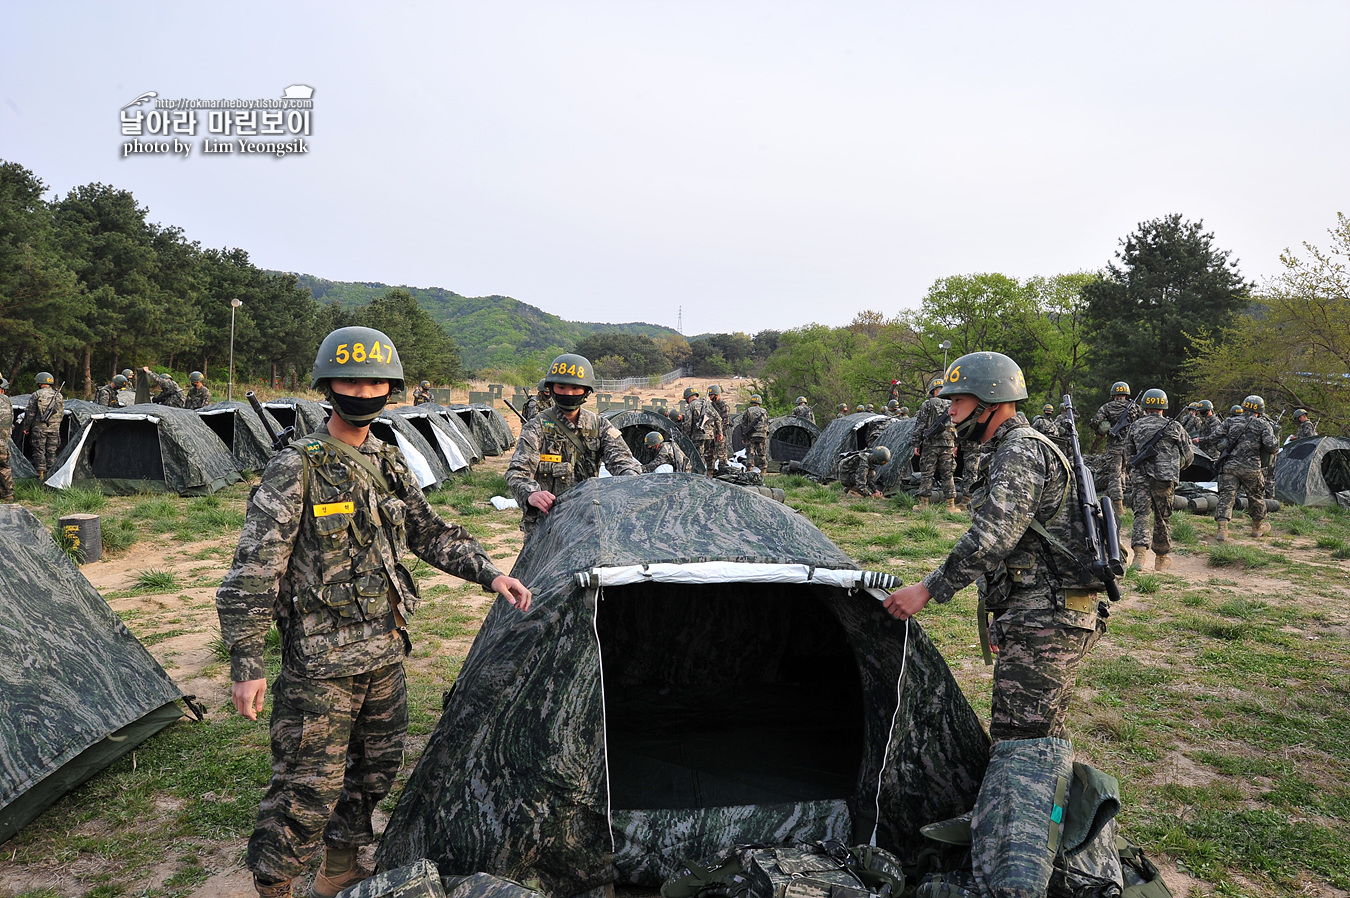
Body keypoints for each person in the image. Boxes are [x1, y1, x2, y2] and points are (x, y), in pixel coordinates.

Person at [215, 326, 532, 898]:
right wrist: (246, 662)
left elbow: (427, 530)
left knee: (374, 771)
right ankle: (277, 886)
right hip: (320, 664)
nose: (364, 391)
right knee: (306, 788)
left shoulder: (387, 459)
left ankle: (338, 869)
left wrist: (491, 572)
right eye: (351, 380)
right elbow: (254, 569)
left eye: (376, 381)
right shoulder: (299, 466)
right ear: (327, 385)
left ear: (392, 388)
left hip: (385, 651)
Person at [882, 351, 1108, 744]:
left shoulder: (1019, 450)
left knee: (1020, 741)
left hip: (1048, 616)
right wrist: (1000, 612)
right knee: (1037, 738)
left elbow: (993, 537)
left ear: (991, 402)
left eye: (958, 400)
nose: (950, 411)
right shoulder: (1007, 448)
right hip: (1039, 610)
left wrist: (927, 589)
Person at [506, 353, 641, 537]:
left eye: (575, 388)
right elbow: (517, 473)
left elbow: (624, 463)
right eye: (561, 387)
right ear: (552, 388)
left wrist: (628, 484)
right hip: (547, 526)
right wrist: (532, 494)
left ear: (586, 390)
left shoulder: (599, 426)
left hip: (587, 522)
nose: (568, 393)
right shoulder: (536, 427)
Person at [1122, 389, 1193, 571]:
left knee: (1141, 515)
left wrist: (1133, 469)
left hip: (1141, 478)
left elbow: (1127, 453)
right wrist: (1176, 467)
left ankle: (1139, 556)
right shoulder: (1175, 427)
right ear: (1164, 406)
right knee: (1162, 517)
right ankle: (1161, 559)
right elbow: (1189, 455)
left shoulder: (1136, 426)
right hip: (1165, 478)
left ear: (1146, 406)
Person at [1214, 394, 1277, 542]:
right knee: (1256, 498)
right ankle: (1257, 527)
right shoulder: (1263, 424)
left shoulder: (1230, 421)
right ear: (1260, 410)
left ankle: (1222, 529)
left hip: (1229, 467)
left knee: (1226, 497)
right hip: (1252, 468)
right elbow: (1271, 446)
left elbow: (1214, 437)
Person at [1088, 381, 1142, 516]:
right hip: (1131, 447)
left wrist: (1100, 432)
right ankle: (1112, 499)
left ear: (1113, 394)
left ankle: (1118, 506)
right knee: (1123, 472)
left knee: (1115, 475)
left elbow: (1095, 421)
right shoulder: (1135, 407)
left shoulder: (1107, 407)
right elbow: (1144, 421)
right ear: (1126, 394)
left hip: (1115, 446)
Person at [911, 376, 956, 511]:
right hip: (948, 445)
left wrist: (916, 443)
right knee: (948, 474)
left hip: (931, 444)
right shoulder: (953, 405)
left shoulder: (927, 404)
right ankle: (951, 505)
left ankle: (924, 504)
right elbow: (957, 426)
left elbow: (920, 425)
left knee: (927, 474)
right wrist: (956, 444)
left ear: (932, 391)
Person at [26, 372, 64, 480]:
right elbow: (61, 413)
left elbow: (30, 413)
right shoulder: (59, 395)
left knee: (39, 451)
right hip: (54, 428)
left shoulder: (36, 394)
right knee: (52, 451)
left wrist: (26, 427)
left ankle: (41, 475)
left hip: (39, 428)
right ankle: (52, 475)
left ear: (39, 382)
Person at [681, 387, 720, 473]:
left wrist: (685, 436)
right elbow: (718, 418)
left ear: (688, 397)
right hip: (710, 436)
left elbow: (687, 424)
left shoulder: (690, 406)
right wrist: (720, 433)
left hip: (698, 437)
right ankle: (709, 474)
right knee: (708, 457)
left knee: (698, 458)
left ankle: (700, 476)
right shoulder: (707, 404)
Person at [741, 394, 769, 470]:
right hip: (762, 435)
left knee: (750, 453)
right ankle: (763, 470)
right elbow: (766, 424)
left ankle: (750, 469)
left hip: (751, 436)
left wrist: (744, 436)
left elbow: (743, 424)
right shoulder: (764, 411)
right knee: (762, 453)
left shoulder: (748, 411)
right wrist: (765, 435)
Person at [708, 384, 731, 469]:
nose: (710, 397)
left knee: (721, 455)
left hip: (720, 434)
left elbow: (725, 421)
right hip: (711, 433)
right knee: (710, 454)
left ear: (717, 394)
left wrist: (720, 433)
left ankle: (723, 471)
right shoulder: (710, 405)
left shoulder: (723, 406)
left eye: (711, 395)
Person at [0, 376, 13, 501]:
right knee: (4, 467)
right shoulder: (7, 400)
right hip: (2, 442)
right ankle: (8, 494)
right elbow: (10, 422)